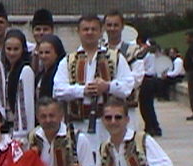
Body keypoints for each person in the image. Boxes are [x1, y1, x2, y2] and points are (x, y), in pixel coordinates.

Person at [54, 14, 135, 153]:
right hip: (78, 124)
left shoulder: (115, 57)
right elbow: (57, 90)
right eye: (86, 29)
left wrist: (108, 86)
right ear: (78, 31)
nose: (89, 32)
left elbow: (128, 86)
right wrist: (82, 91)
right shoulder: (68, 60)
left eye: (93, 29)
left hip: (108, 124)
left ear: (101, 31)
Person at [0, 29, 35, 142]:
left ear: (22, 50)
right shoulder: (4, 70)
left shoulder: (26, 70)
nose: (12, 53)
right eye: (9, 49)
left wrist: (22, 135)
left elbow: (26, 105)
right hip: (6, 129)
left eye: (16, 49)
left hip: (19, 132)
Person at [104, 11, 145, 131]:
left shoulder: (134, 50)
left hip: (127, 106)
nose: (112, 29)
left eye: (115, 25)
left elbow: (137, 77)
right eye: (109, 25)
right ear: (104, 27)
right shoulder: (99, 50)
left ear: (122, 27)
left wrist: (112, 85)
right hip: (104, 108)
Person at [35, 34, 66, 101]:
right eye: (41, 53)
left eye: (47, 52)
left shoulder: (60, 74)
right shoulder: (40, 74)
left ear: (57, 53)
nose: (43, 56)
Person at [30, 9, 54, 75]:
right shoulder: (26, 55)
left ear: (52, 31)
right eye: (38, 29)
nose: (41, 33)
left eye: (45, 29)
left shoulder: (59, 58)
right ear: (32, 31)